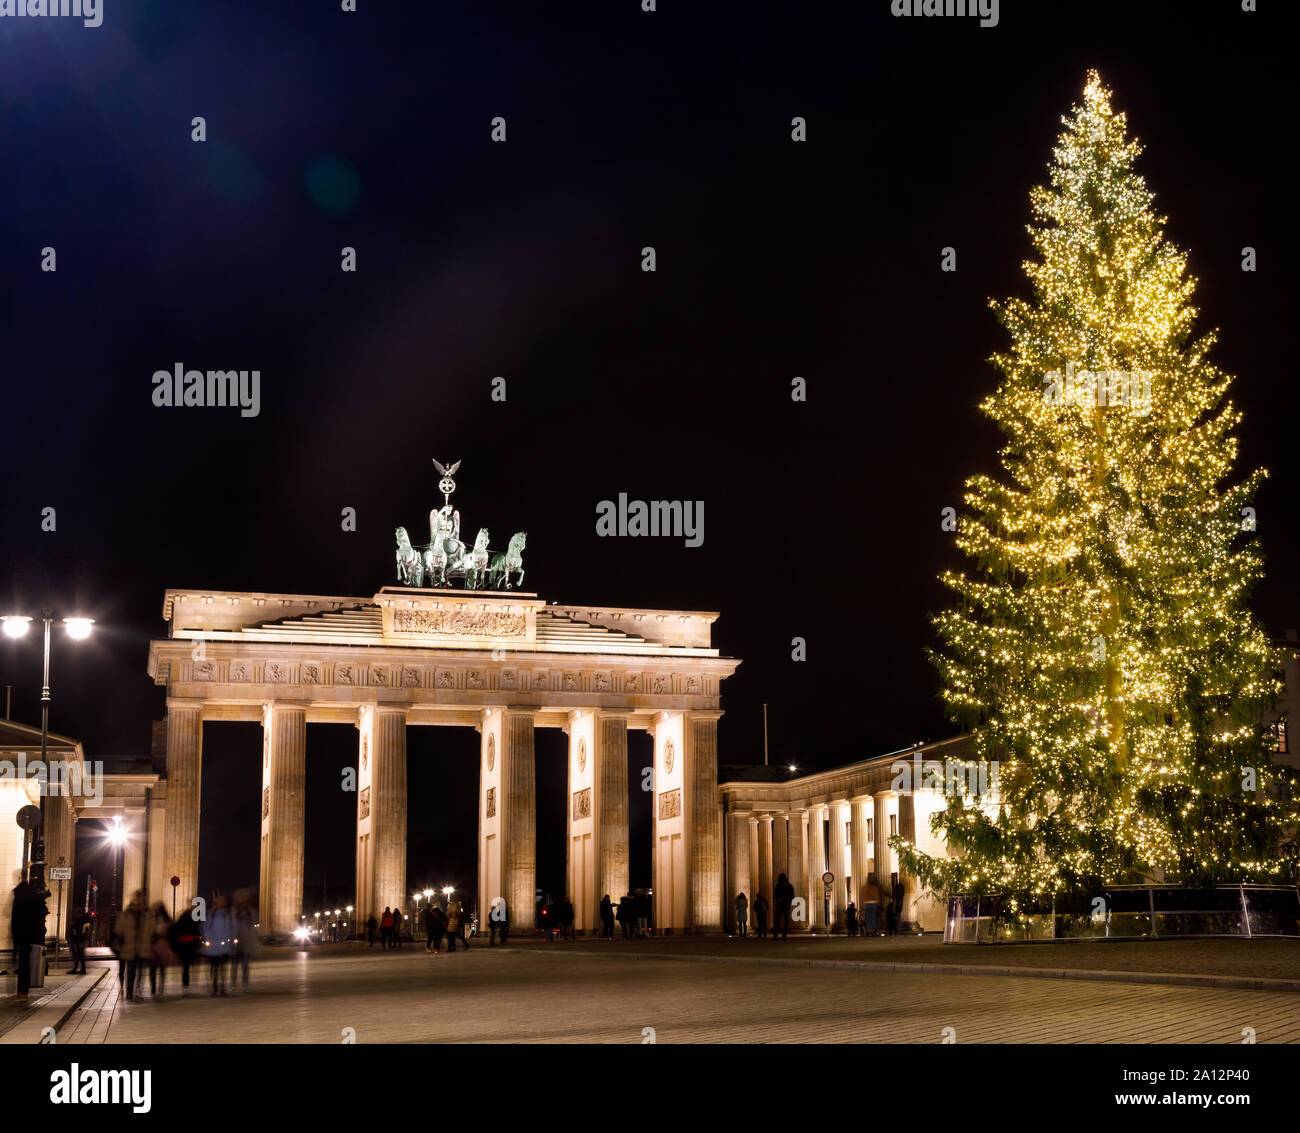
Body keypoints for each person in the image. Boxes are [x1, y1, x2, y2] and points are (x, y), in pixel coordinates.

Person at [9, 878, 48, 1002]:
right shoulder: (30, 897)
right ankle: (21, 992)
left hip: (22, 934)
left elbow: (17, 918)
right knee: (24, 964)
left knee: (24, 964)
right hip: (26, 934)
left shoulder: (22, 897)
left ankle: (22, 993)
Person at [117, 890, 152, 1002]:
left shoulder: (147, 916)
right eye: (138, 899)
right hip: (130, 948)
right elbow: (119, 931)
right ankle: (130, 992)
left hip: (142, 948)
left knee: (140, 973)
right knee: (131, 972)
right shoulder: (126, 915)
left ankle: (137, 992)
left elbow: (152, 931)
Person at [169, 901, 203, 990]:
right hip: (186, 944)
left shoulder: (188, 916)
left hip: (188, 944)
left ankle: (187, 981)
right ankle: (186, 982)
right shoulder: (189, 917)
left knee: (187, 964)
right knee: (187, 964)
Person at [207, 894, 234, 996]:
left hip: (223, 946)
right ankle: (215, 988)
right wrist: (208, 939)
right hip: (214, 945)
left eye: (223, 901)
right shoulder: (212, 913)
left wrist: (229, 939)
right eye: (220, 901)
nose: (222, 902)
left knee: (222, 967)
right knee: (215, 967)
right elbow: (206, 927)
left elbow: (231, 927)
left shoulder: (227, 914)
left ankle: (222, 987)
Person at [149, 903, 176, 999]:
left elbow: (172, 933)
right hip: (156, 946)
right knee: (155, 969)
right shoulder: (153, 920)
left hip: (162, 946)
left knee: (160, 969)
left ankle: (159, 988)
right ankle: (154, 988)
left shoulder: (163, 921)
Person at [232, 890, 257, 990]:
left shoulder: (249, 911)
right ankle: (233, 983)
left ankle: (245, 983)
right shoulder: (234, 911)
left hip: (246, 941)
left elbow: (252, 926)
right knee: (235, 965)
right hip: (236, 942)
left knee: (245, 965)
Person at [68, 909, 90, 975]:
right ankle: (76, 969)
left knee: (80, 955)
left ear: (81, 914)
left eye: (78, 914)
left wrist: (74, 924)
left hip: (80, 940)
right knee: (77, 955)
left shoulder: (82, 921)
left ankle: (82, 969)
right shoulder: (79, 921)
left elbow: (81, 931)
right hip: (77, 940)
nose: (77, 915)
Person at [773, 873, 795, 940]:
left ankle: (776, 935)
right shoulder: (789, 886)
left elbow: (775, 895)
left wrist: (779, 899)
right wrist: (788, 900)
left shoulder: (778, 886)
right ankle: (784, 936)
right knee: (785, 921)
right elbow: (792, 895)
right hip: (786, 905)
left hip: (780, 905)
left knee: (777, 921)